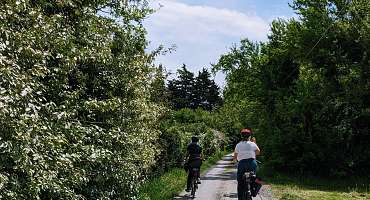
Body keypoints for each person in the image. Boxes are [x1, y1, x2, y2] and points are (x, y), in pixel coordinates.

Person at [233, 128, 261, 200]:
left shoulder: (238, 145)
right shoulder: (252, 144)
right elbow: (258, 152)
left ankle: (240, 198)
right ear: (249, 136)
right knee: (254, 177)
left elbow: (235, 157)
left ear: (241, 136)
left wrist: (235, 161)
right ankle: (254, 190)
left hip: (242, 164)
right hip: (252, 163)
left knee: (240, 181)